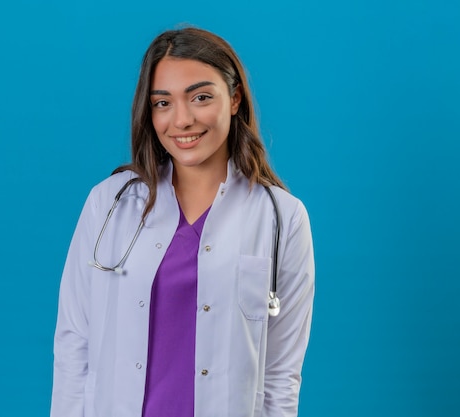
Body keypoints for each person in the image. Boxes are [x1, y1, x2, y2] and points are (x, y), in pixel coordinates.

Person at [50, 27, 315, 417]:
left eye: (201, 97)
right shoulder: (109, 203)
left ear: (235, 98)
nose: (182, 120)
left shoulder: (282, 218)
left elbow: (280, 375)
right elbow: (74, 344)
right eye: (163, 103)